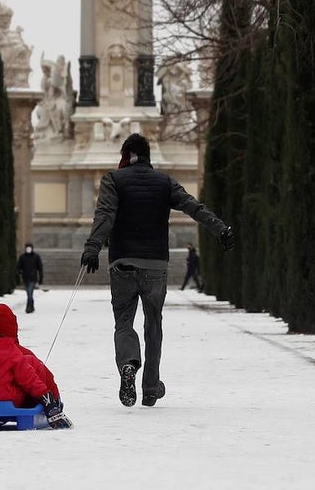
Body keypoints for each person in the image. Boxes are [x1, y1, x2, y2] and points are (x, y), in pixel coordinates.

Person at [80, 133, 235, 408]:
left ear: (125, 155)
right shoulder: (164, 181)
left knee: (124, 322)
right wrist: (220, 228)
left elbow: (105, 216)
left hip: (122, 263)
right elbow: (193, 207)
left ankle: (128, 364)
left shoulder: (113, 180)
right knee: (154, 323)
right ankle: (151, 387)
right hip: (155, 265)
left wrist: (93, 248)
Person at [0, 303, 64, 409]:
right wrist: (55, 398)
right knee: (33, 367)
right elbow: (46, 376)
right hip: (17, 401)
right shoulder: (22, 353)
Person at [16, 243, 44, 313]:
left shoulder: (36, 256)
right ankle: (32, 306)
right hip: (25, 278)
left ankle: (28, 308)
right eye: (27, 247)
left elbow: (40, 268)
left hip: (33, 278)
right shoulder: (22, 257)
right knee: (29, 293)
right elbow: (19, 266)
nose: (28, 249)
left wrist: (40, 278)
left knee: (29, 293)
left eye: (29, 247)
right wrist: (19, 272)